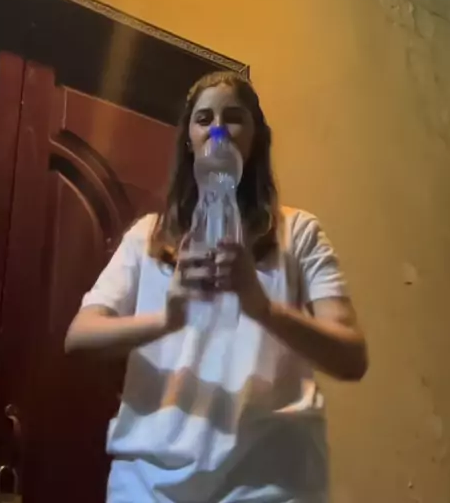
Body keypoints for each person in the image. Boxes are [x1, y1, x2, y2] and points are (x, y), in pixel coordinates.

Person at [66, 71, 368, 503]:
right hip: (147, 486)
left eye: (234, 118)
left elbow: (351, 356)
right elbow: (79, 337)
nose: (218, 130)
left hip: (270, 485)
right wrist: (168, 319)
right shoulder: (147, 236)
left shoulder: (299, 232)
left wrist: (263, 308)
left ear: (256, 139)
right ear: (189, 140)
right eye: (204, 118)